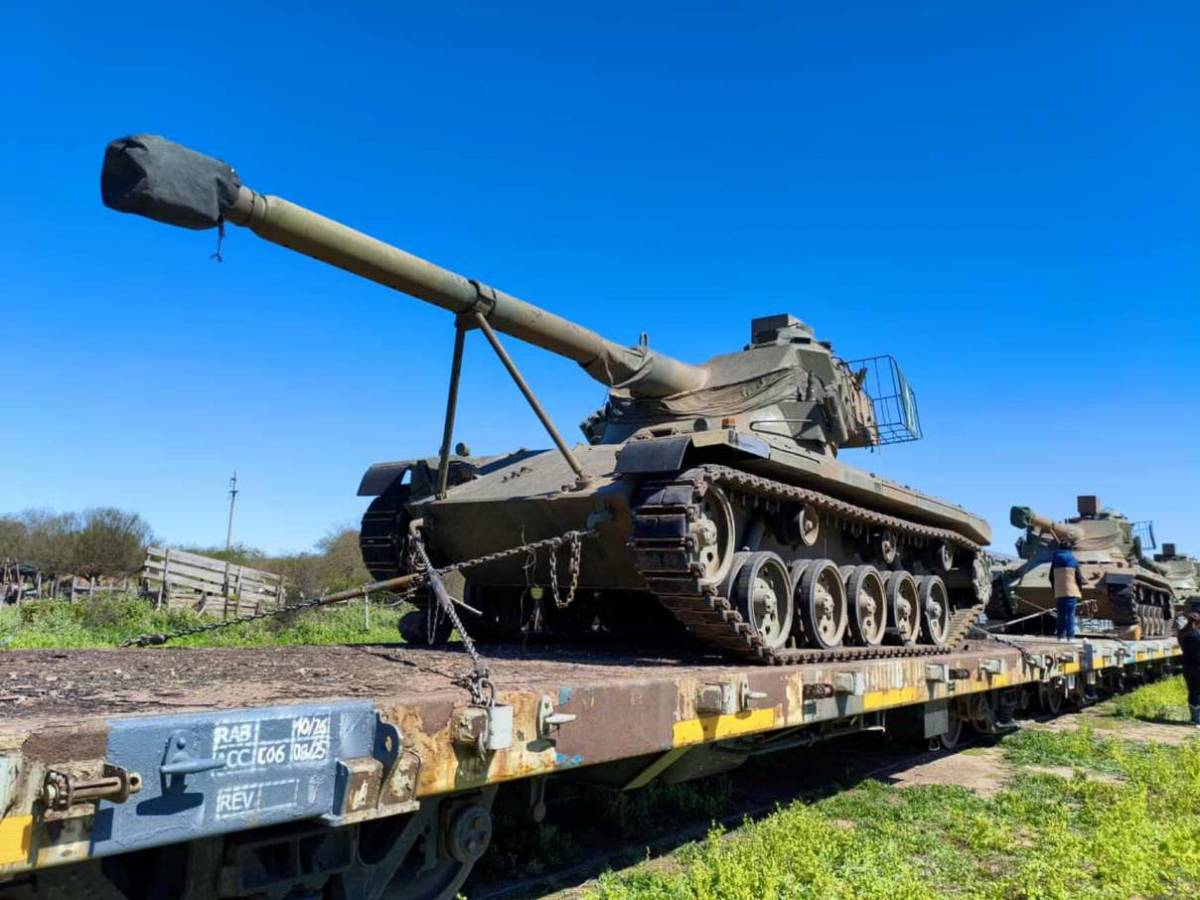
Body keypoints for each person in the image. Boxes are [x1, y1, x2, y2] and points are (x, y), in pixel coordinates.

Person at [1050, 542, 1085, 641]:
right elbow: (1078, 577)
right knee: (1070, 614)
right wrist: (1080, 589)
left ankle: (1060, 636)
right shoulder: (1073, 560)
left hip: (1060, 592)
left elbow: (1050, 577)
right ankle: (1070, 636)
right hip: (1071, 591)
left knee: (1060, 614)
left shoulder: (1055, 560)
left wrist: (1055, 588)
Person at [1176, 612, 1200, 728]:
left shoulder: (1181, 634)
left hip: (1187, 666)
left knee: (1192, 691)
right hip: (1197, 666)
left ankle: (1194, 718)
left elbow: (1182, 647)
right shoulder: (1198, 635)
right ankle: (1198, 721)